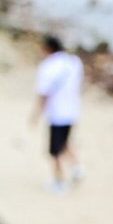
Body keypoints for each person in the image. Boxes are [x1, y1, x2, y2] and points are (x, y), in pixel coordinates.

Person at [31, 34, 83, 190]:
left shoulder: (48, 67)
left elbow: (43, 94)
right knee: (64, 143)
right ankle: (77, 168)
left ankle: (59, 182)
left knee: (54, 151)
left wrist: (36, 114)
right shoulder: (74, 62)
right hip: (73, 110)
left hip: (57, 113)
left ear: (47, 48)